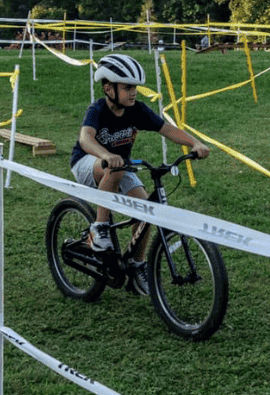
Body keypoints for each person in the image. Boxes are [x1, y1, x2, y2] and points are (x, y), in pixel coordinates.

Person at [69, 53, 209, 295]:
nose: (133, 92)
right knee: (116, 167)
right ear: (109, 89)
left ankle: (137, 265)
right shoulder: (98, 109)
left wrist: (195, 143)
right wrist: (104, 155)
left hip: (120, 166)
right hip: (88, 162)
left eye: (135, 87)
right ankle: (99, 227)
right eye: (127, 87)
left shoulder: (137, 110)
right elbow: (85, 138)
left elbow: (168, 129)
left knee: (145, 211)